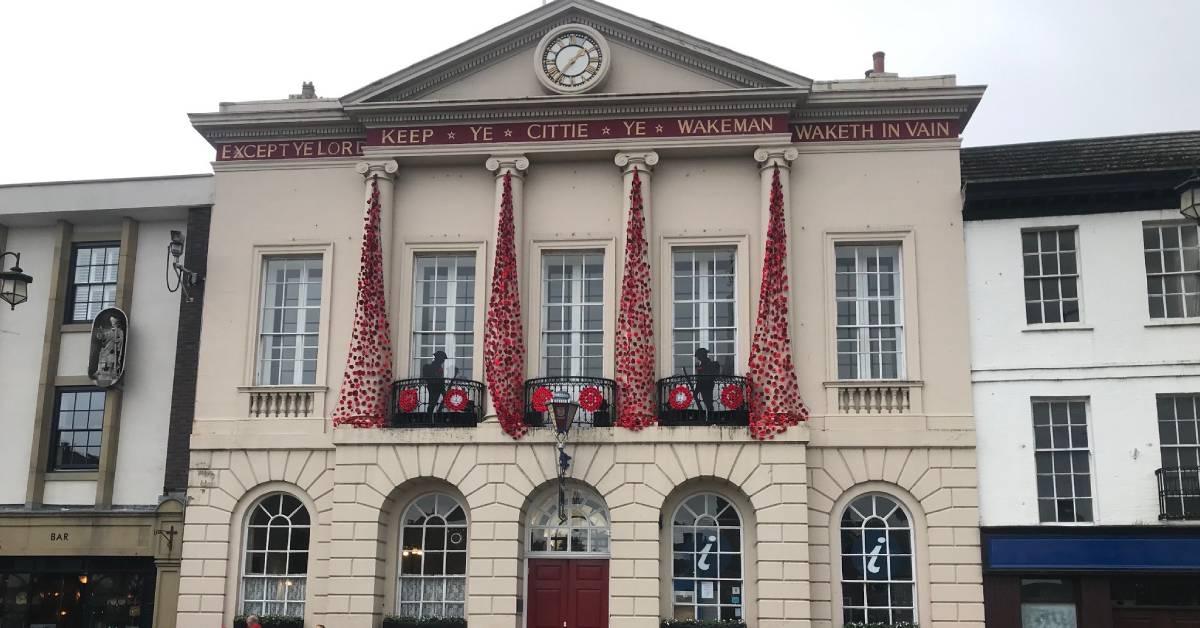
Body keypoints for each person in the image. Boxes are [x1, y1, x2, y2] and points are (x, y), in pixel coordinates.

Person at [694, 347, 721, 414]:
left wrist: (699, 370)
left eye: (698, 356)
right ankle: (709, 416)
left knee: (708, 403)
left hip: (706, 385)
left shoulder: (709, 364)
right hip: (702, 385)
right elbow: (699, 378)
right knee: (707, 403)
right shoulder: (702, 364)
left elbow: (703, 377)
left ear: (702, 355)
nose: (697, 358)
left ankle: (711, 418)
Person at [421, 350, 448, 417]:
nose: (443, 361)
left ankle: (431, 417)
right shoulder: (429, 367)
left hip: (439, 387)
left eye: (443, 359)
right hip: (433, 387)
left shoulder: (439, 368)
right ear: (438, 358)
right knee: (432, 404)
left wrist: (443, 391)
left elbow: (441, 379)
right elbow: (428, 377)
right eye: (442, 359)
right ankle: (429, 418)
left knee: (434, 404)